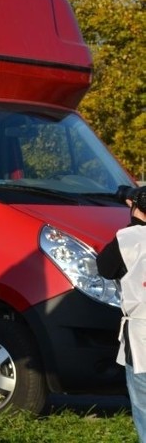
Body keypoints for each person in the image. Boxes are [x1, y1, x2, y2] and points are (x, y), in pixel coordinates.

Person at [97, 186, 146, 441]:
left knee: (144, 407)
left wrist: (135, 216)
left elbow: (105, 267)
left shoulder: (130, 238)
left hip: (141, 336)